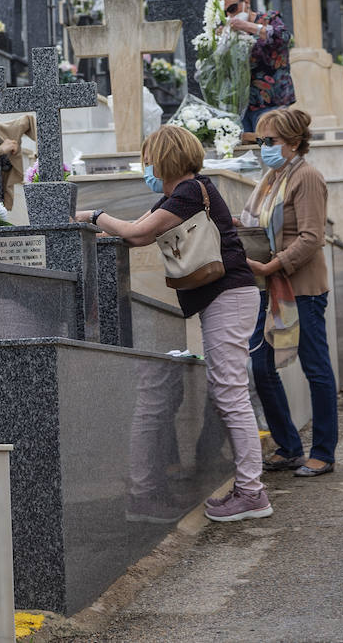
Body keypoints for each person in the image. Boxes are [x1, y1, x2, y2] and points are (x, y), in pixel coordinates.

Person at [75, 124, 272, 523]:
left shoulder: (188, 192)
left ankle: (252, 492)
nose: (145, 167)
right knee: (228, 392)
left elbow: (137, 231)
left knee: (231, 394)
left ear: (164, 158)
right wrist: (98, 224)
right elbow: (136, 237)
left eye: (148, 159)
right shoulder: (179, 195)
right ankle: (249, 488)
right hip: (226, 298)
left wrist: (93, 215)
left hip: (229, 296)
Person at [239, 107, 337, 478]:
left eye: (271, 140)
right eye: (260, 140)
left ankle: (323, 452)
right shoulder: (272, 178)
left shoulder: (306, 177)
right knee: (261, 366)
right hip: (271, 286)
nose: (263, 146)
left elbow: (312, 237)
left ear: (294, 143)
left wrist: (273, 265)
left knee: (315, 368)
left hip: (300, 287)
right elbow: (256, 222)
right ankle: (289, 447)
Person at [216, 0, 292, 133]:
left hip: (271, 101)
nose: (230, 15)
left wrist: (248, 26)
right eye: (225, 12)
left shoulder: (269, 19)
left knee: (269, 143)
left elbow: (283, 37)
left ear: (246, 1)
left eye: (232, 8)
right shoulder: (227, 30)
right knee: (245, 146)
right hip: (240, 104)